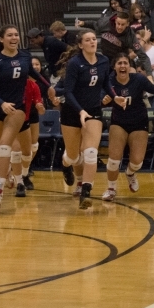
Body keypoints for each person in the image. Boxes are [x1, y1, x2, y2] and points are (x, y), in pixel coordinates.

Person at [101, 53, 154, 201]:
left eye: (126, 63)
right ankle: (111, 188)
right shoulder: (109, 82)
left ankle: (130, 173)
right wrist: (104, 101)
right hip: (118, 122)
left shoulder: (138, 79)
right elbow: (99, 100)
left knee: (137, 162)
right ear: (114, 67)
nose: (123, 66)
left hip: (139, 122)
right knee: (113, 159)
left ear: (130, 66)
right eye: (120, 63)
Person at [0, 25, 47, 208]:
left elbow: (36, 75)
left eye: (16, 35)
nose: (14, 38)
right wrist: (1, 103)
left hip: (17, 110)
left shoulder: (25, 56)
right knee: (2, 149)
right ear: (1, 39)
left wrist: (49, 87)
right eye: (9, 35)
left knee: (4, 148)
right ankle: (10, 173)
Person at [56, 29, 116, 209]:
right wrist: (80, 110)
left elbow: (106, 83)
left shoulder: (104, 61)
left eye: (94, 39)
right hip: (71, 111)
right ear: (81, 45)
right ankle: (65, 163)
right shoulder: (75, 63)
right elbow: (68, 92)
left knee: (90, 152)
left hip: (93, 111)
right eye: (88, 40)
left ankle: (86, 191)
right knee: (74, 156)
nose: (92, 42)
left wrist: (114, 95)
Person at [100, 11, 153, 77]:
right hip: (105, 59)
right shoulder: (105, 23)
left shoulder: (130, 36)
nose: (119, 27)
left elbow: (143, 56)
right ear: (115, 21)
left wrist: (149, 75)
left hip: (120, 61)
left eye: (122, 25)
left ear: (127, 24)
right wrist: (83, 23)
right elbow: (94, 24)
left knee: (132, 72)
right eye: (118, 24)